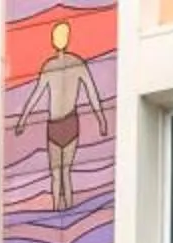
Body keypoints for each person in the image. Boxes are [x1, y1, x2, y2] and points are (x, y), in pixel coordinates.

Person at [11, 21, 107, 214]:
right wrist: (101, 120)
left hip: (58, 124)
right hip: (67, 123)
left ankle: (60, 212)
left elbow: (36, 96)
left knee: (59, 174)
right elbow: (92, 95)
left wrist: (23, 120)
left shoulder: (52, 66)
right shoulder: (73, 64)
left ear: (54, 41)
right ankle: (64, 212)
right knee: (64, 174)